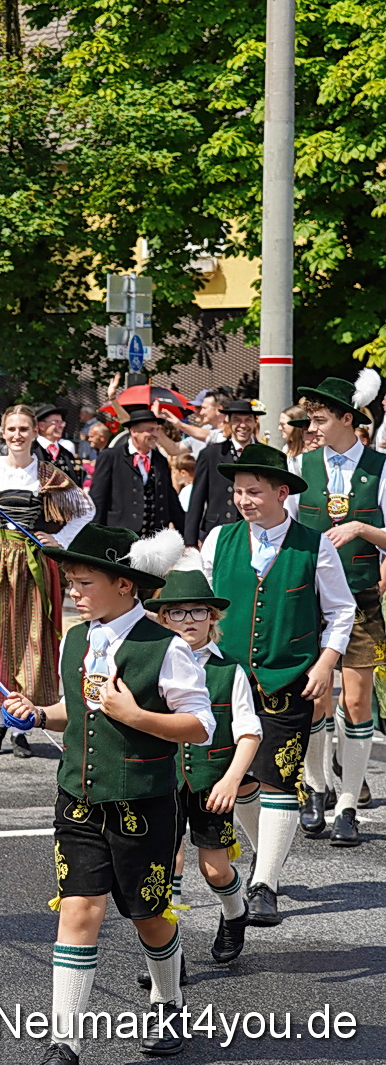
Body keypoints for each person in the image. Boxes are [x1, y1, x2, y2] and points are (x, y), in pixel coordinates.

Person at [3, 524, 214, 1065]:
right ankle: (65, 1041)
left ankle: (168, 1001)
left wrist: (138, 716)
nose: (73, 591)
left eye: (83, 582)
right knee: (78, 910)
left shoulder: (164, 646)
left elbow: (199, 725)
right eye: (70, 581)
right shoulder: (77, 638)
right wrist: (38, 714)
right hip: (76, 796)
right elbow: (77, 710)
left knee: (148, 914)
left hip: (141, 802)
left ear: (125, 585)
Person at [198, 444, 352, 925]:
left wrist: (326, 663)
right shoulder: (218, 539)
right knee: (239, 780)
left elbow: (341, 610)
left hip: (288, 679)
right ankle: (270, 854)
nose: (243, 499)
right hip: (226, 681)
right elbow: (199, 607)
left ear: (282, 493)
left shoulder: (314, 544)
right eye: (238, 491)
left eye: (254, 491)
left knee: (277, 779)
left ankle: (264, 884)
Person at [0, 405, 95, 753]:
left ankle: (21, 728)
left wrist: (58, 540)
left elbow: (85, 510)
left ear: (34, 433)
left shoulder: (48, 475)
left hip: (30, 565)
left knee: (30, 645)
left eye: (23, 429)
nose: (17, 435)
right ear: (2, 432)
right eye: (11, 429)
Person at [141, 564, 260, 969]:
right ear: (162, 618)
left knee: (214, 869)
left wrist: (231, 780)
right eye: (177, 612)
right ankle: (167, 956)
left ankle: (234, 911)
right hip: (161, 779)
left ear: (213, 617)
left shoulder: (230, 670)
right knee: (164, 862)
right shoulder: (152, 663)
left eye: (197, 611)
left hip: (213, 782)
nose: (188, 620)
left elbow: (249, 733)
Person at [289, 374, 382, 846]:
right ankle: (316, 787)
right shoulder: (299, 466)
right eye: (312, 419)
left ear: (349, 419)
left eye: (323, 420)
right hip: (312, 600)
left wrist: (364, 530)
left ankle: (348, 803)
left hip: (363, 598)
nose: (314, 428)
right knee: (315, 698)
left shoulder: (381, 469)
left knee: (357, 700)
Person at [88, 407, 185, 538]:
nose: (155, 435)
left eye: (157, 430)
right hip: (120, 537)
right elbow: (98, 499)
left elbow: (170, 499)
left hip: (154, 538)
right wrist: (93, 535)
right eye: (150, 430)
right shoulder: (111, 457)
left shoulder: (160, 460)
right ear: (134, 431)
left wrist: (188, 536)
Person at [181, 400, 262, 544]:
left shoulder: (265, 454)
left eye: (248, 420)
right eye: (237, 420)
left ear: (255, 422)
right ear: (229, 423)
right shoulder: (211, 454)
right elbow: (197, 499)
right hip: (218, 530)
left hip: (257, 531)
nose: (243, 425)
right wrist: (190, 542)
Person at [34, 404, 85, 485]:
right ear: (41, 426)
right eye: (56, 422)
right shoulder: (30, 451)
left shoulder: (67, 454)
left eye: (62, 422)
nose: (61, 426)